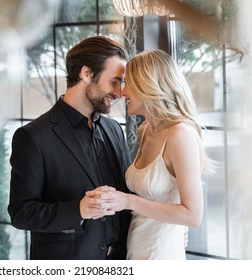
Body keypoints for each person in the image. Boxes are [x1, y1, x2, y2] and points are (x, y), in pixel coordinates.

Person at [7, 36, 132, 260]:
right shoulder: (32, 137)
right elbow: (20, 213)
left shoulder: (115, 130)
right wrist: (78, 210)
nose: (120, 92)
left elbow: (129, 196)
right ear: (86, 73)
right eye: (114, 81)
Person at [86, 49, 215, 259]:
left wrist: (127, 201)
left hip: (162, 254)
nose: (122, 92)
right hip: (136, 247)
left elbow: (193, 216)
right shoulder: (145, 129)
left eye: (128, 83)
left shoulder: (180, 135)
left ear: (148, 86)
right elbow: (154, 199)